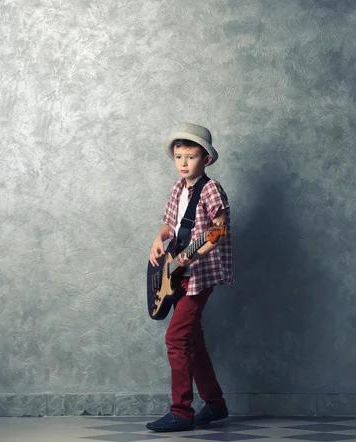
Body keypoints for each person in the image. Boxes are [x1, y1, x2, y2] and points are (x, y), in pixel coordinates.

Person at [146, 123, 234, 432]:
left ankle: (181, 412)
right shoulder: (177, 188)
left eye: (191, 157)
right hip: (176, 271)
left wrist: (195, 254)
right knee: (191, 340)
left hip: (198, 276)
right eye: (179, 156)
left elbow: (220, 229)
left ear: (206, 160)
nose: (183, 163)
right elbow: (170, 226)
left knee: (176, 338)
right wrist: (159, 239)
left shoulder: (211, 189)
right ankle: (215, 404)